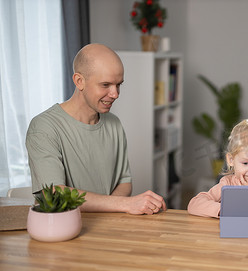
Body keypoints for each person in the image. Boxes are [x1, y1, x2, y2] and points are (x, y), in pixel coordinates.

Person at [26, 43, 166, 215]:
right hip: (62, 232)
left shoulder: (114, 124)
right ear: (79, 81)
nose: (115, 94)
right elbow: (55, 195)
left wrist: (109, 217)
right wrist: (126, 205)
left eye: (118, 84)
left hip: (105, 229)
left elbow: (124, 182)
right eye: (105, 85)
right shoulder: (43, 127)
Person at [188, 118, 248, 218]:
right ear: (231, 160)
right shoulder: (227, 183)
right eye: (245, 163)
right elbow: (194, 204)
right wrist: (224, 210)